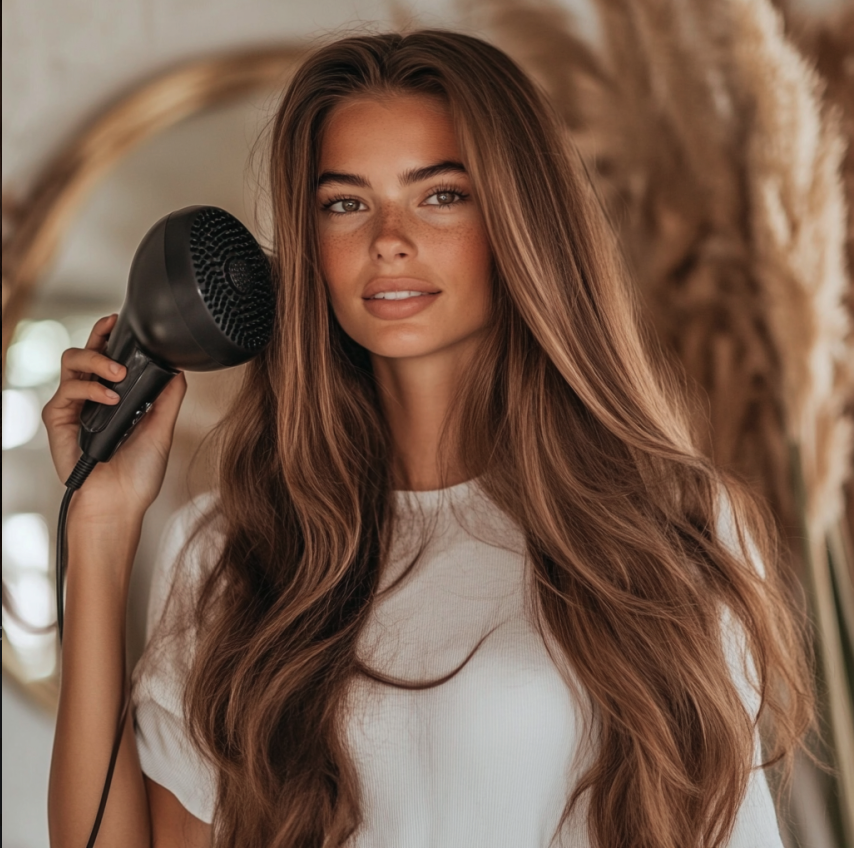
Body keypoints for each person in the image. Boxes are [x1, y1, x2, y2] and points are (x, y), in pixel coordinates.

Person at [44, 29, 814, 848]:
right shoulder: (232, 551)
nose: (387, 238)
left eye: (440, 194)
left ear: (521, 221)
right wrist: (101, 529)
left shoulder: (679, 525)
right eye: (345, 202)